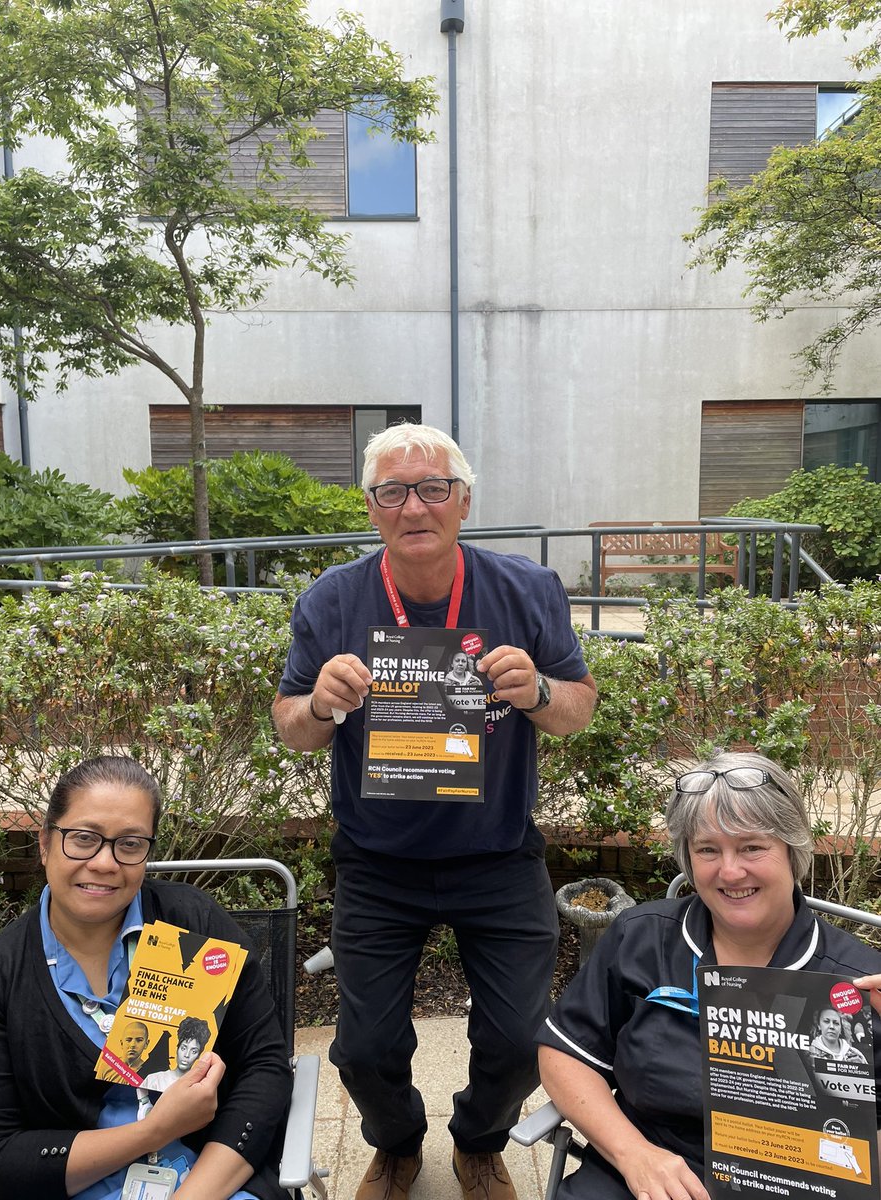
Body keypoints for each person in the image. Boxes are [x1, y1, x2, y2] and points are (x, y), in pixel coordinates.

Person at [272, 423, 597, 1200]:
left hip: (499, 852)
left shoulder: (528, 590)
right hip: (378, 860)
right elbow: (291, 728)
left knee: (520, 1040)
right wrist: (321, 703)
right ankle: (396, 1143)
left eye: (432, 488)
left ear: (463, 500)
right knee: (363, 1046)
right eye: (393, 491)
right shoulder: (332, 599)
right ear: (371, 507)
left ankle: (481, 1142)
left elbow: (578, 708)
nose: (414, 505)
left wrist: (541, 692)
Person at [536, 750, 881, 1200]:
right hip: (649, 1171)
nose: (731, 871)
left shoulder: (856, 984)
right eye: (707, 850)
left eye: (753, 846)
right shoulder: (643, 940)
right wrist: (632, 1153)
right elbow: (566, 1054)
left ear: (792, 850)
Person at [0, 756, 292, 1200]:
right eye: (84, 838)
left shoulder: (194, 923)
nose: (105, 863)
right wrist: (157, 1130)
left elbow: (265, 1066)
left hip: (212, 1183)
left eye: (129, 844)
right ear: (46, 843)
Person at [138, 1017, 213, 1119]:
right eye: (183, 1048)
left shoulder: (200, 1087)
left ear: (199, 1055)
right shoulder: (154, 1079)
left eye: (194, 1051)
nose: (187, 1055)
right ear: (177, 1048)